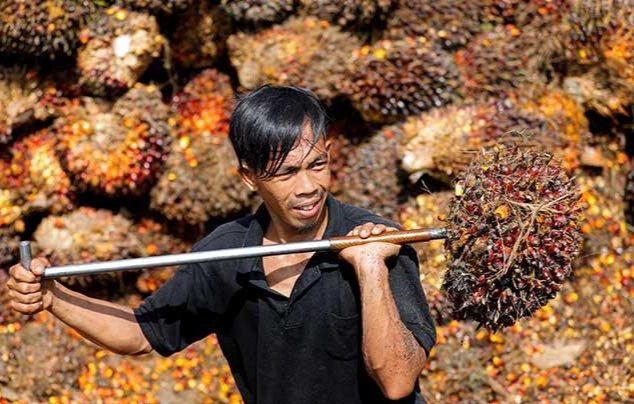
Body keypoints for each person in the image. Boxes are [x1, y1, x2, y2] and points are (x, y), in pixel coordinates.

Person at [6, 85, 436, 403]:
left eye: (317, 165)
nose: (308, 186)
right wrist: (52, 296)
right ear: (249, 176)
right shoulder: (227, 254)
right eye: (286, 174)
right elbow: (142, 333)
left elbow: (397, 381)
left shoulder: (381, 243)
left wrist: (370, 268)